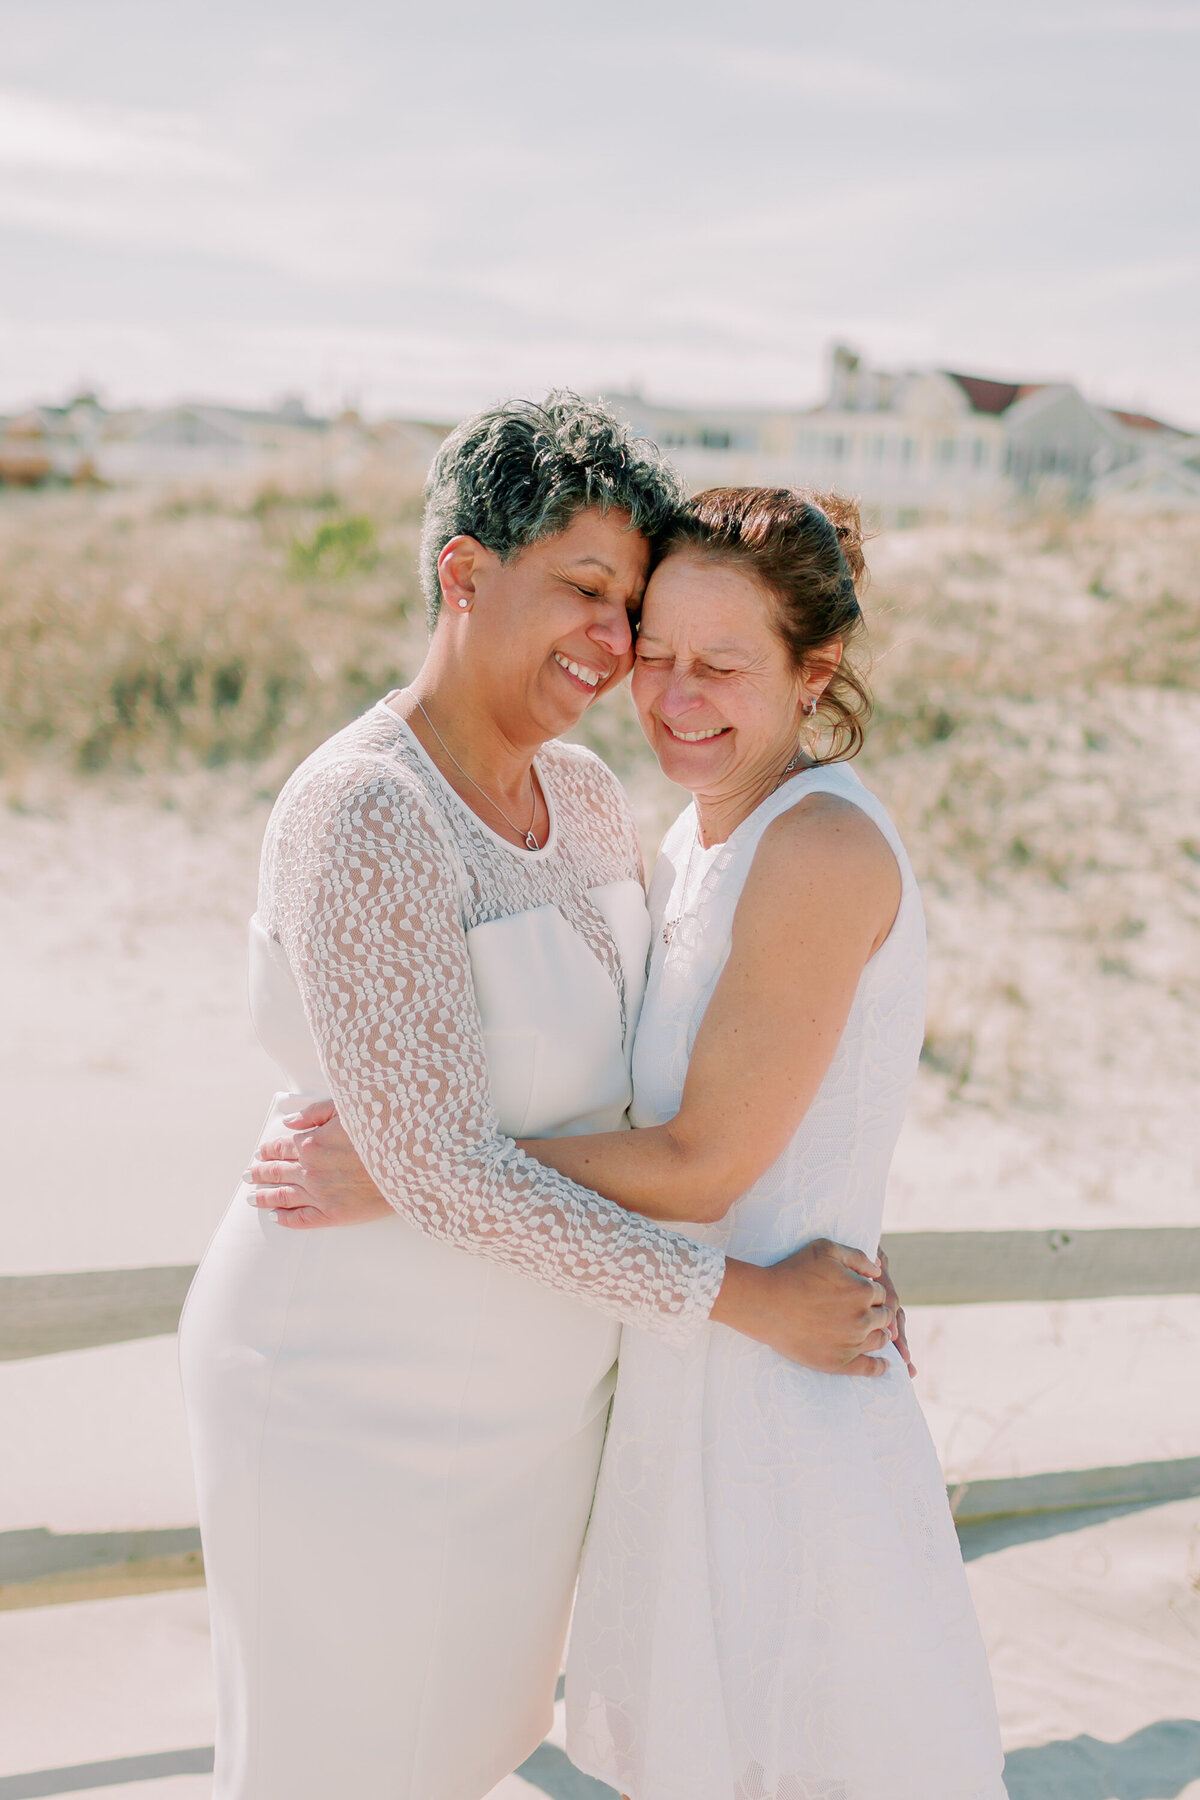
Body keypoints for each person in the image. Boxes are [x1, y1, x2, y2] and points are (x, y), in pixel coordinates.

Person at [180, 397, 903, 1800]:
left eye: (625, 602)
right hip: (350, 1392)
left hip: (540, 1409)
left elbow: (667, 1083)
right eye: (584, 586)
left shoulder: (580, 794)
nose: (612, 637)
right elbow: (447, 1174)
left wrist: (830, 1215)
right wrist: (750, 1298)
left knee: (454, 1761)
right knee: (331, 1767)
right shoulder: (365, 810)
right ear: (464, 572)